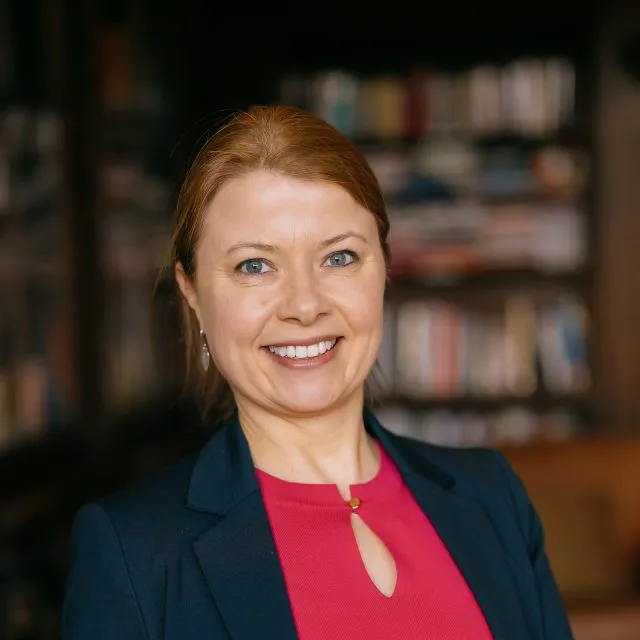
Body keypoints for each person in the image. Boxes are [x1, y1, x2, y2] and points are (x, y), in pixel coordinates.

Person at [61, 105, 574, 640]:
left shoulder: (492, 497)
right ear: (191, 292)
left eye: (340, 258)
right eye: (254, 266)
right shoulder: (133, 552)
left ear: (384, 266)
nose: (304, 305)